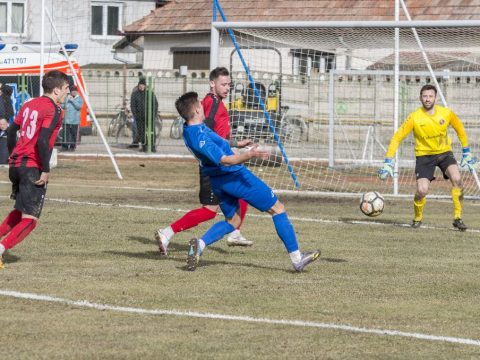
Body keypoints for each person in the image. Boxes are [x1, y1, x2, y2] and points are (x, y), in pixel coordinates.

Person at [175, 91, 321, 272]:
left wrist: (237, 144)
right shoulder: (199, 137)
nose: (203, 106)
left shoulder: (190, 129)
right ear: (197, 110)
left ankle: (201, 244)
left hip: (217, 181)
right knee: (277, 208)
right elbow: (225, 160)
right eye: (200, 104)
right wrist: (250, 155)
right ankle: (297, 258)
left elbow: (217, 141)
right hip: (234, 176)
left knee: (233, 221)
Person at [155, 67, 253, 254]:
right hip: (215, 166)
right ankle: (167, 233)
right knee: (209, 210)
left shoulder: (215, 103)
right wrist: (229, 150)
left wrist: (236, 143)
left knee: (242, 194)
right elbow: (206, 135)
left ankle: (234, 230)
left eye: (229, 84)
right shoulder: (212, 103)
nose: (227, 88)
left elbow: (213, 136)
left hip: (219, 161)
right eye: (223, 84)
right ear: (212, 84)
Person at [378, 84, 477, 231]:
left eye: (430, 96)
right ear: (420, 98)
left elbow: (460, 129)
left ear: (436, 98)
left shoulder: (446, 113)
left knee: (457, 179)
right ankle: (417, 218)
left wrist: (466, 151)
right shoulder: (414, 117)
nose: (428, 99)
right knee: (422, 190)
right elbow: (397, 137)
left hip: (445, 153)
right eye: (425, 96)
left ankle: (458, 218)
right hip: (424, 156)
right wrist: (388, 160)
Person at [0, 70, 69, 268]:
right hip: (32, 166)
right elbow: (42, 141)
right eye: (65, 89)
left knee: (19, 210)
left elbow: (12, 130)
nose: (67, 92)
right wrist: (45, 169)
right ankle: (1, 248)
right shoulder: (55, 110)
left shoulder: (29, 104)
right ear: (56, 90)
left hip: (16, 164)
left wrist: (14, 154)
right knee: (30, 220)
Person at [130, 78, 158, 152]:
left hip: (150, 117)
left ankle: (152, 146)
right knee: (142, 132)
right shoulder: (135, 94)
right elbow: (133, 106)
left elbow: (155, 104)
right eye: (140, 85)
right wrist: (136, 115)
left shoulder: (150, 93)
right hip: (140, 118)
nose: (142, 86)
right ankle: (144, 146)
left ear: (145, 86)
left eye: (143, 85)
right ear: (138, 85)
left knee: (151, 131)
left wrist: (153, 115)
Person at [61, 85, 83, 151]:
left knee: (74, 134)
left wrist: (72, 100)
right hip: (66, 120)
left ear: (77, 91)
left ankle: (72, 147)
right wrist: (65, 103)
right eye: (72, 91)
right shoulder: (67, 97)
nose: (73, 92)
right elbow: (62, 105)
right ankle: (65, 146)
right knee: (65, 134)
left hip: (75, 121)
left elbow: (79, 106)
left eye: (74, 91)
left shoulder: (79, 99)